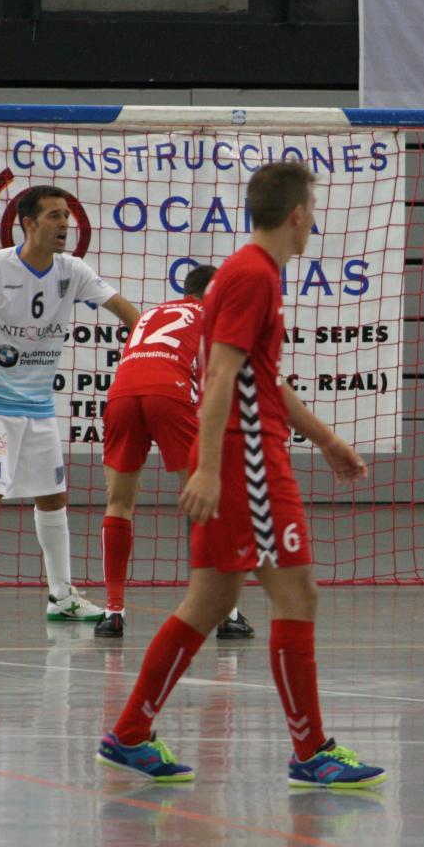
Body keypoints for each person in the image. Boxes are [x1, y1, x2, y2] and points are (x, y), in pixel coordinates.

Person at [96, 161, 385, 788]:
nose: (315, 220)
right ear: (298, 213)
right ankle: (311, 751)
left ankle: (129, 732)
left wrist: (326, 438)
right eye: (313, 207)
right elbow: (222, 373)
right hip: (247, 459)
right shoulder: (254, 274)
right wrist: (205, 468)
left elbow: (263, 378)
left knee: (212, 599)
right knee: (295, 595)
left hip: (244, 453)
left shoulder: (247, 272)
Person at [0, 185, 141, 626]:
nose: (64, 225)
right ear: (28, 223)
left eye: (67, 217)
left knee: (53, 498)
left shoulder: (71, 271)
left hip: (39, 408)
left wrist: (152, 341)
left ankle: (61, 596)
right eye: (54, 216)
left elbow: (126, 313)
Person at [95, 263, 255, 641]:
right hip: (170, 392)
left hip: (121, 396)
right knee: (205, 499)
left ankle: (112, 613)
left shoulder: (151, 313)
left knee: (118, 504)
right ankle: (227, 613)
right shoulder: (213, 317)